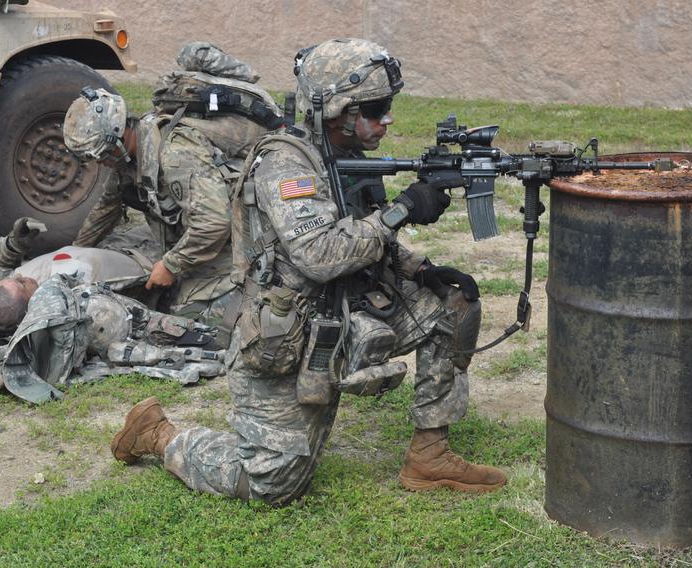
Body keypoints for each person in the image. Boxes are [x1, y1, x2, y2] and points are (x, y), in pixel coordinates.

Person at [110, 38, 506, 505]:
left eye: (387, 107)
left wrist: (423, 269)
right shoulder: (285, 164)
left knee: (450, 307)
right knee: (270, 484)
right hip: (292, 338)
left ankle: (430, 453)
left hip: (347, 308)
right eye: (376, 109)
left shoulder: (339, 158)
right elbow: (319, 253)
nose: (388, 119)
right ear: (337, 112)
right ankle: (158, 434)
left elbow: (360, 233)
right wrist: (403, 209)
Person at [63, 43, 283, 347]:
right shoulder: (129, 158)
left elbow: (214, 223)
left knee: (183, 313)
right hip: (215, 237)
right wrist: (72, 256)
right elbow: (105, 209)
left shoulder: (175, 153)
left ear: (116, 140)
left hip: (243, 239)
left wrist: (171, 265)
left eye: (100, 155)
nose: (100, 164)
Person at [0, 217, 155, 338]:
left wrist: (14, 242)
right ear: (32, 308)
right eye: (22, 284)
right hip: (147, 256)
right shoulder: (75, 306)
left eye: (16, 278)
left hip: (109, 243)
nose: (21, 276)